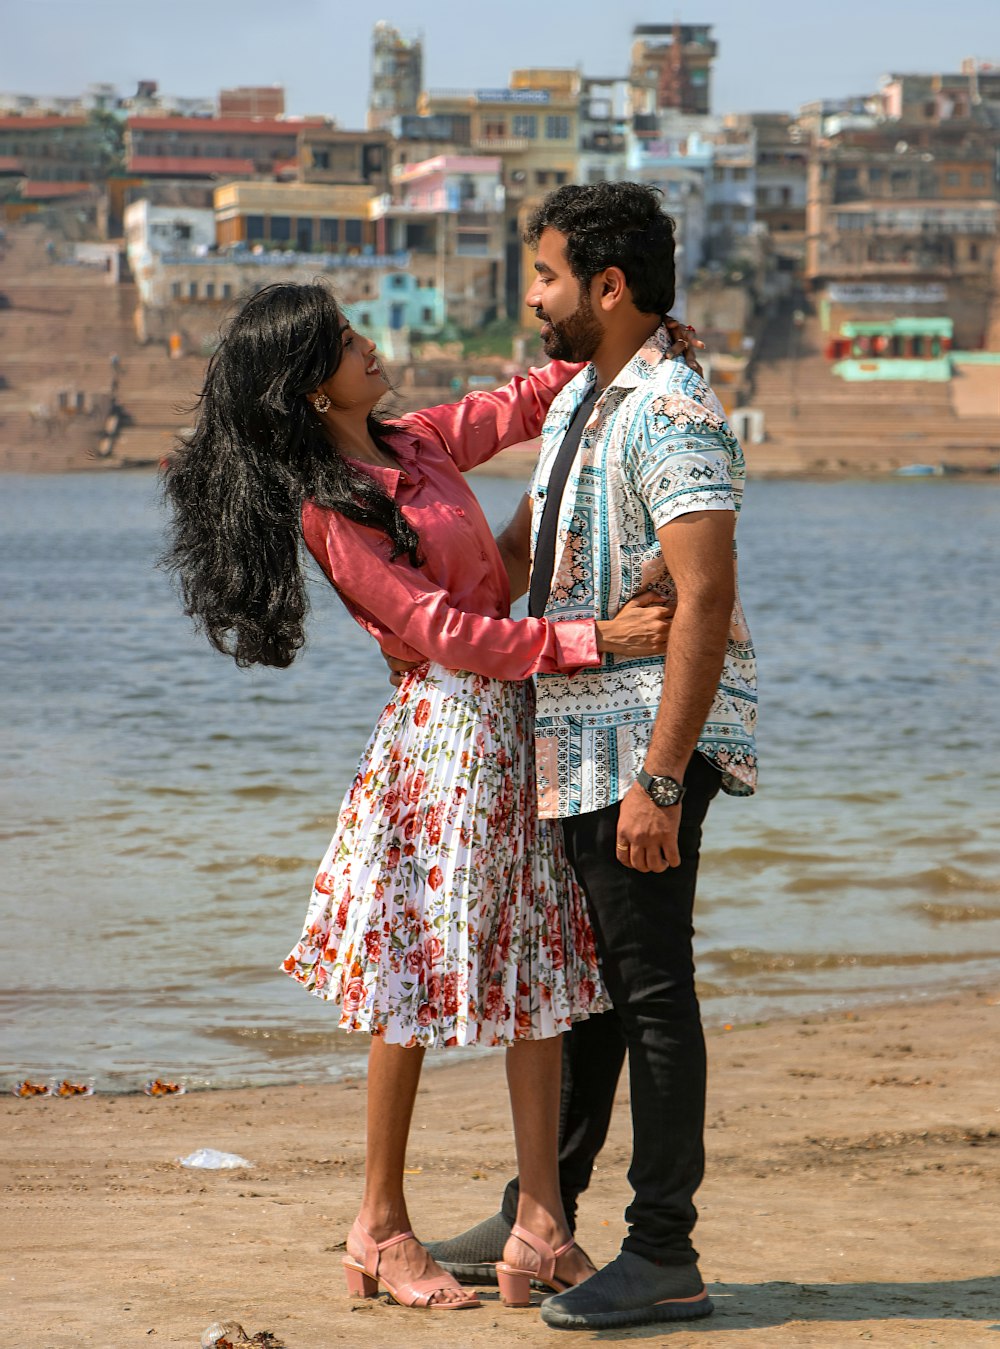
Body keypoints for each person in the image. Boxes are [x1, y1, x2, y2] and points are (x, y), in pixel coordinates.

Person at [161, 281, 690, 1314]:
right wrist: (595, 641)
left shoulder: (416, 440)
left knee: (537, 965)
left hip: (514, 720)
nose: (370, 344)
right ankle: (379, 1222)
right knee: (406, 978)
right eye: (348, 340)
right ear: (312, 386)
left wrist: (638, 342)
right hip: (444, 733)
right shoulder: (332, 505)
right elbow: (443, 631)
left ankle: (541, 1223)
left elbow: (522, 400)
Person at [425, 182, 758, 1330]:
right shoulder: (586, 396)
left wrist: (662, 780)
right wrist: (427, 623)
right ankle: (541, 1209)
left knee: (650, 990)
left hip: (643, 743)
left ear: (607, 288)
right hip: (578, 734)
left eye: (548, 277)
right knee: (588, 993)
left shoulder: (668, 410)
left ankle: (664, 1250)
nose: (531, 298)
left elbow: (705, 597)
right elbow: (526, 543)